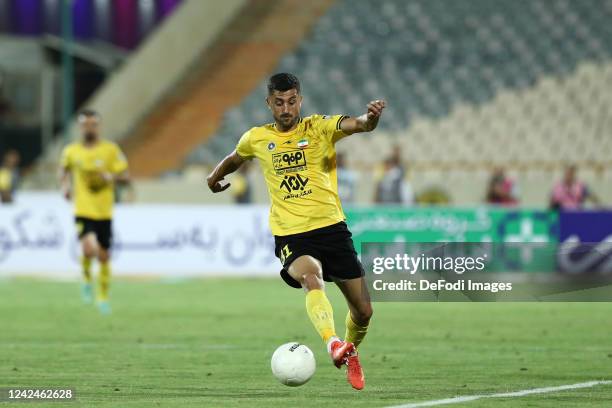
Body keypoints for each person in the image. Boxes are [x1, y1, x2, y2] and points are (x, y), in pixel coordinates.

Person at [206, 73, 385, 390]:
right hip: (292, 234)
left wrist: (370, 119)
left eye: (291, 101)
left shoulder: (319, 127)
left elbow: (357, 125)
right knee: (310, 276)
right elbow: (235, 158)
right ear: (269, 103)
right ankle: (332, 343)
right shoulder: (257, 138)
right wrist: (214, 176)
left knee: (364, 310)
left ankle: (349, 349)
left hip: (331, 227)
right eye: (279, 103)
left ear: (300, 100)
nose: (286, 108)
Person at [59, 109, 130, 314]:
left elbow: (126, 176)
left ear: (98, 126)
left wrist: (112, 178)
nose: (89, 128)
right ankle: (87, 279)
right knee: (89, 249)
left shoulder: (110, 150)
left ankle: (103, 297)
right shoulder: (71, 151)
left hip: (104, 211)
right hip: (83, 208)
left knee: (104, 256)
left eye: (93, 124)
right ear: (80, 127)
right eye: (85, 124)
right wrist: (64, 186)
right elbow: (63, 170)